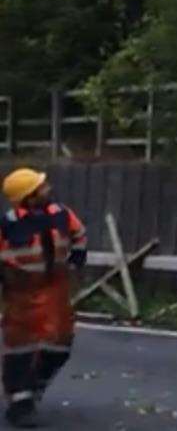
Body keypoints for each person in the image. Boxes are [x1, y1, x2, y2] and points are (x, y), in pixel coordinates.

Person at [0, 168, 87, 428]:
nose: (48, 188)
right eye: (42, 186)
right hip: (21, 292)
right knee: (20, 348)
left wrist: (77, 257)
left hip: (54, 290)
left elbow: (78, 233)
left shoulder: (61, 214)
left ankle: (33, 386)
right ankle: (19, 403)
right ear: (29, 195)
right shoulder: (8, 224)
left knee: (60, 344)